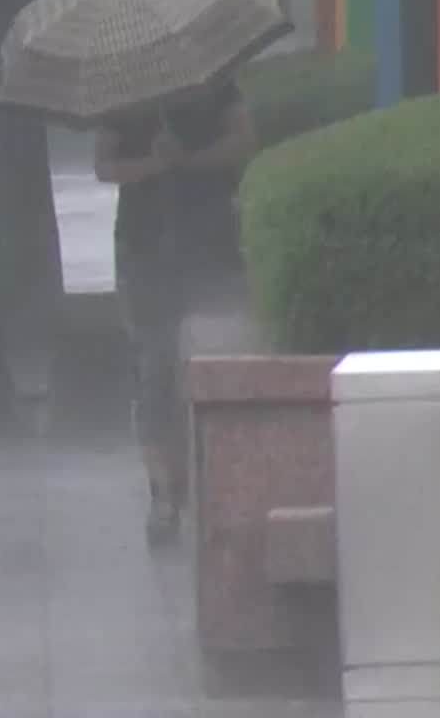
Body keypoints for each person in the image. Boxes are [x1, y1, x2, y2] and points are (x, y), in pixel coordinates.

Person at [94, 78, 257, 544]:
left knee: (218, 357)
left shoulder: (214, 81)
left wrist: (188, 160)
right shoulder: (124, 93)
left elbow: (243, 141)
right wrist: (151, 164)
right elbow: (104, 165)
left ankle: (215, 485)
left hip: (210, 241)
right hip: (144, 247)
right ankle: (164, 493)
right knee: (155, 369)